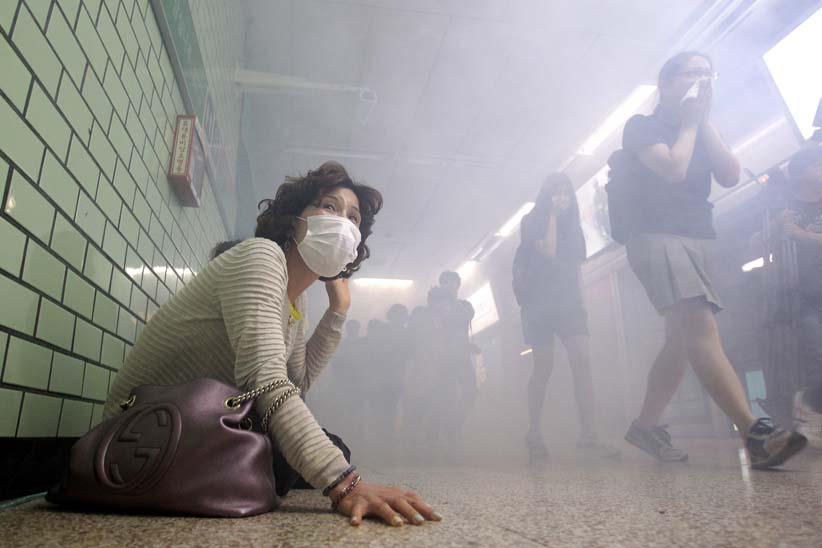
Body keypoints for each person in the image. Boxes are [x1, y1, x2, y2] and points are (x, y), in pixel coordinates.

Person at [104, 162, 440, 527]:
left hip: (192, 429)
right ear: (294, 218)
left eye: (354, 218)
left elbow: (297, 380)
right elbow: (266, 383)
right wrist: (346, 484)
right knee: (307, 456)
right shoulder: (261, 257)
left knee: (326, 447)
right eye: (329, 207)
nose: (344, 223)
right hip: (139, 439)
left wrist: (338, 311)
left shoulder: (296, 298)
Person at [616, 52, 806, 467]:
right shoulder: (642, 126)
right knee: (700, 323)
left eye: (707, 74)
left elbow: (730, 174)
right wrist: (688, 123)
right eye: (691, 73)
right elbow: (672, 169)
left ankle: (645, 426)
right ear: (665, 85)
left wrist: (702, 121)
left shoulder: (700, 126)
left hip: (697, 236)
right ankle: (753, 432)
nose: (701, 81)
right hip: (657, 235)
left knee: (680, 340)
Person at [513, 173, 620, 459]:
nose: (561, 198)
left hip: (569, 304)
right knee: (544, 367)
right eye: (555, 193)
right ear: (545, 196)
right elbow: (548, 252)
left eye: (565, 193)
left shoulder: (575, 228)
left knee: (582, 362)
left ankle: (588, 436)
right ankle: (534, 430)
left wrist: (583, 305)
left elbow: (576, 269)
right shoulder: (531, 221)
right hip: (538, 306)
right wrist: (550, 214)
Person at [776, 145, 822, 448]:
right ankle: (811, 413)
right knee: (817, 359)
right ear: (802, 171)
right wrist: (776, 230)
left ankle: (809, 407)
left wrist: (804, 236)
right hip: (805, 294)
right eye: (817, 163)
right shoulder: (785, 207)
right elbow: (758, 249)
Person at [437, 271, 479, 439]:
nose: (449, 285)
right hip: (440, 359)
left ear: (458, 285)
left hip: (461, 358)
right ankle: (447, 436)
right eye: (445, 282)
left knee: (471, 393)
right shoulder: (434, 305)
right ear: (441, 285)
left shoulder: (465, 305)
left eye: (453, 282)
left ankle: (454, 426)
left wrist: (453, 300)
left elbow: (466, 317)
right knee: (446, 397)